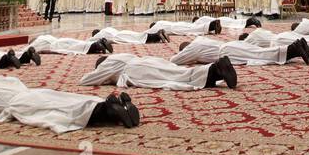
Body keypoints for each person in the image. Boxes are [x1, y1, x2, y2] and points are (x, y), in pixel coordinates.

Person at [0, 76, 141, 132]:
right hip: (35, 92)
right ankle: (113, 105)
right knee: (67, 99)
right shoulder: (7, 80)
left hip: (24, 104)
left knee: (61, 113)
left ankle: (108, 109)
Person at [79, 52, 238, 91]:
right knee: (178, 73)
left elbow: (85, 80)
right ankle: (217, 72)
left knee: (179, 78)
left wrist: (102, 74)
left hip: (138, 70)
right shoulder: (121, 55)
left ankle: (215, 68)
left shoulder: (108, 63)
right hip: (147, 61)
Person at [171, 34, 309, 67]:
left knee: (261, 56)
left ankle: (294, 49)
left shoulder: (192, 48)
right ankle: (297, 46)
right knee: (260, 53)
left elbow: (175, 60)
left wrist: (184, 55)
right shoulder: (200, 39)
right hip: (232, 45)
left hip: (228, 53)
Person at [30, 34, 114, 55]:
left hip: (57, 45)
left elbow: (44, 50)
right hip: (62, 40)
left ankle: (96, 45)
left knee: (76, 48)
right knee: (79, 43)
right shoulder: (45, 36)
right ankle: (99, 42)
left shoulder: (36, 43)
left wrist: (42, 52)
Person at [90, 25, 171, 45]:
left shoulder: (100, 34)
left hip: (120, 36)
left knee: (139, 39)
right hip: (123, 32)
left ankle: (158, 35)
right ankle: (159, 34)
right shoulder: (107, 28)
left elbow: (91, 40)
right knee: (139, 36)